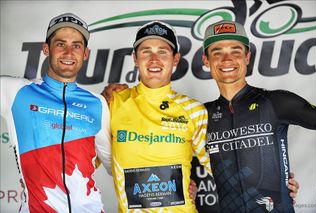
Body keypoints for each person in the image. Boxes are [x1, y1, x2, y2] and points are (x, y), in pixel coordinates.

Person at [202, 20, 316, 212]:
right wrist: (185, 186)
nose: (227, 59)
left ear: (247, 57)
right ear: (206, 60)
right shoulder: (199, 115)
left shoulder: (276, 102)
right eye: (217, 52)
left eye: (236, 51)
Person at [0, 13, 112, 212]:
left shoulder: (97, 103)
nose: (69, 52)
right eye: (60, 44)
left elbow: (113, 163)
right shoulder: (16, 91)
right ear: (46, 49)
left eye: (76, 46)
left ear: (85, 54)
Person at [107, 20, 212, 212]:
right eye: (146, 51)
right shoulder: (113, 104)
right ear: (135, 58)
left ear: (176, 59)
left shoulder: (194, 110)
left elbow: (223, 168)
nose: (154, 59)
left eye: (162, 52)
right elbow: (83, 159)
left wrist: (280, 185)